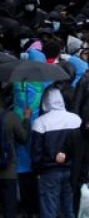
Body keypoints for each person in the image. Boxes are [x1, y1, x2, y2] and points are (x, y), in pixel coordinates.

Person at [32, 87, 80, 218]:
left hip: (49, 172)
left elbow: (36, 151)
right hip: (72, 171)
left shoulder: (39, 122)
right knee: (70, 210)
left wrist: (37, 170)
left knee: (49, 210)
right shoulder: (76, 119)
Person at [0, 90, 31, 218]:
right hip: (8, 171)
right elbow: (24, 138)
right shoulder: (11, 117)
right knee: (9, 209)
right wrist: (27, 119)